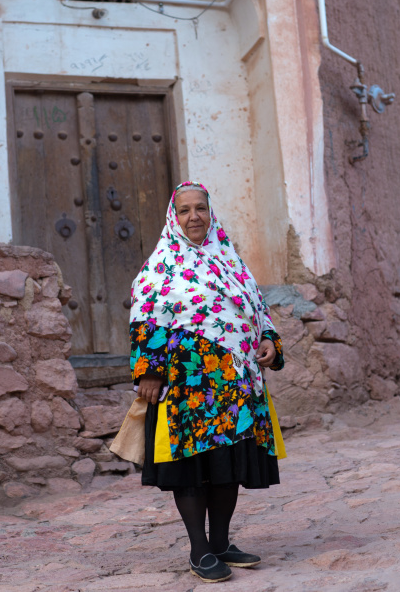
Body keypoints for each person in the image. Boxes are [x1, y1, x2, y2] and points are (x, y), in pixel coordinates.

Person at [129, 181, 285, 583]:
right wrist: (148, 369)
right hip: (186, 385)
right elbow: (146, 314)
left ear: (210, 213)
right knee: (192, 465)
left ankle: (221, 543)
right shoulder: (161, 266)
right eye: (184, 210)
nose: (194, 216)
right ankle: (199, 549)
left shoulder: (230, 261)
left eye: (200, 208)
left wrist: (268, 339)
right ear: (173, 217)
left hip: (234, 386)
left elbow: (257, 309)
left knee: (226, 464)